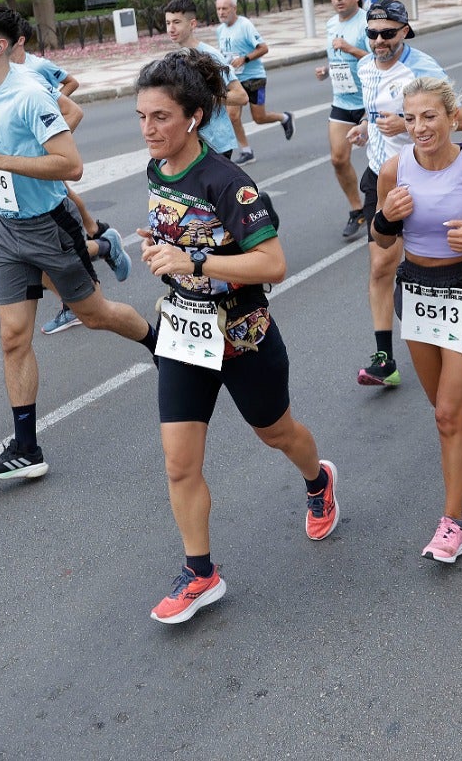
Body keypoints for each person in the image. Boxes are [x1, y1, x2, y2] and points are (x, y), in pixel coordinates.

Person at [133, 52, 339, 624]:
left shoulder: (229, 183)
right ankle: (201, 573)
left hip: (243, 335)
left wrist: (193, 259)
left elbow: (272, 263)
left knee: (277, 432)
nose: (148, 130)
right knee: (179, 464)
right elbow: (177, 226)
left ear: (194, 118)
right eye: (142, 117)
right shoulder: (159, 167)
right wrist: (160, 243)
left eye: (161, 118)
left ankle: (318, 479)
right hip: (184, 333)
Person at [0, 4, 156, 481]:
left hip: (48, 224)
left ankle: (159, 342)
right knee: (12, 338)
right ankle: (27, 448)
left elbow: (70, 165)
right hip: (5, 230)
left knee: (95, 315)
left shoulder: (30, 96)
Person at [373, 76, 462, 563]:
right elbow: (382, 241)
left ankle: (452, 524)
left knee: (449, 418)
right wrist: (386, 217)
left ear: (452, 117)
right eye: (410, 118)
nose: (420, 127)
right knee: (442, 405)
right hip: (419, 293)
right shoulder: (394, 169)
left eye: (429, 116)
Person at [348, 0, 462, 388]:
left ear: (405, 31)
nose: (379, 41)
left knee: (436, 259)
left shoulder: (423, 67)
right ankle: (385, 359)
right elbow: (372, 112)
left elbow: (460, 119)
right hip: (380, 176)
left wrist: (407, 123)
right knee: (382, 264)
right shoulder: (364, 66)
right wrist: (366, 129)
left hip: (425, 177)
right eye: (372, 33)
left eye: (387, 33)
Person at [5, 19, 132, 337]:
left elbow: (72, 97)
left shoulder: (33, 71)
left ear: (13, 41)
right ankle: (100, 243)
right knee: (60, 222)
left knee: (58, 244)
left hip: (41, 167)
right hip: (22, 186)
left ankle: (101, 249)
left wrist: (49, 143)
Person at [314, 0, 371, 239]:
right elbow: (336, 57)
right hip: (342, 100)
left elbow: (379, 56)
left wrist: (349, 48)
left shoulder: (367, 23)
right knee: (338, 159)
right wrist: (327, 70)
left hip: (369, 101)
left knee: (383, 161)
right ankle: (356, 210)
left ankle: (386, 208)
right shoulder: (330, 24)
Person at [161, 0, 248, 159]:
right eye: (168, 23)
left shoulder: (210, 56)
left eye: (177, 22)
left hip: (215, 144)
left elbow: (241, 96)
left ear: (192, 24)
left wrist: (208, 98)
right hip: (192, 143)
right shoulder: (175, 57)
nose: (171, 28)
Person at [215, 0, 294, 164]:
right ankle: (246, 151)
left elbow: (264, 48)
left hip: (254, 78)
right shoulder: (220, 30)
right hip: (234, 80)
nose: (221, 12)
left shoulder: (245, 26)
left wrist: (245, 58)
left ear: (234, 9)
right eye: (218, 9)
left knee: (259, 117)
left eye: (225, 8)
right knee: (233, 116)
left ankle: (285, 118)